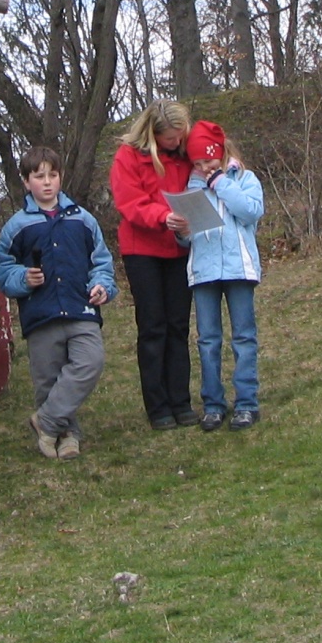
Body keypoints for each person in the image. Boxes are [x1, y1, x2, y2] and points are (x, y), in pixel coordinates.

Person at [0, 146, 116, 460]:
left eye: (53, 175)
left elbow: (101, 261)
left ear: (60, 177)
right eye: (39, 176)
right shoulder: (17, 226)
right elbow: (3, 270)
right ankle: (66, 437)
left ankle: (44, 421)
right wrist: (23, 279)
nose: (47, 182)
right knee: (48, 379)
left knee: (90, 361)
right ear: (25, 181)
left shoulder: (83, 220)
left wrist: (102, 285)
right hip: (41, 313)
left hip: (80, 309)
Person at [109, 99, 197, 429]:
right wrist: (164, 216)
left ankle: (181, 400)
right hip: (142, 250)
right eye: (170, 139)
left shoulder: (186, 151)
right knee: (152, 327)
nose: (176, 143)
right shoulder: (128, 157)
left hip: (178, 250)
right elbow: (130, 203)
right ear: (153, 134)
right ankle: (157, 405)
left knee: (178, 325)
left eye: (179, 136)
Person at [182, 120, 265, 432]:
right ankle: (213, 404)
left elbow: (251, 211)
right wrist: (181, 232)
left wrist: (221, 183)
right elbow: (187, 238)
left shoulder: (244, 179)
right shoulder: (192, 187)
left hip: (238, 269)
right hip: (204, 271)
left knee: (243, 336)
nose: (204, 168)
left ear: (220, 153)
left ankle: (246, 402)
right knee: (208, 340)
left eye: (208, 160)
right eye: (198, 163)